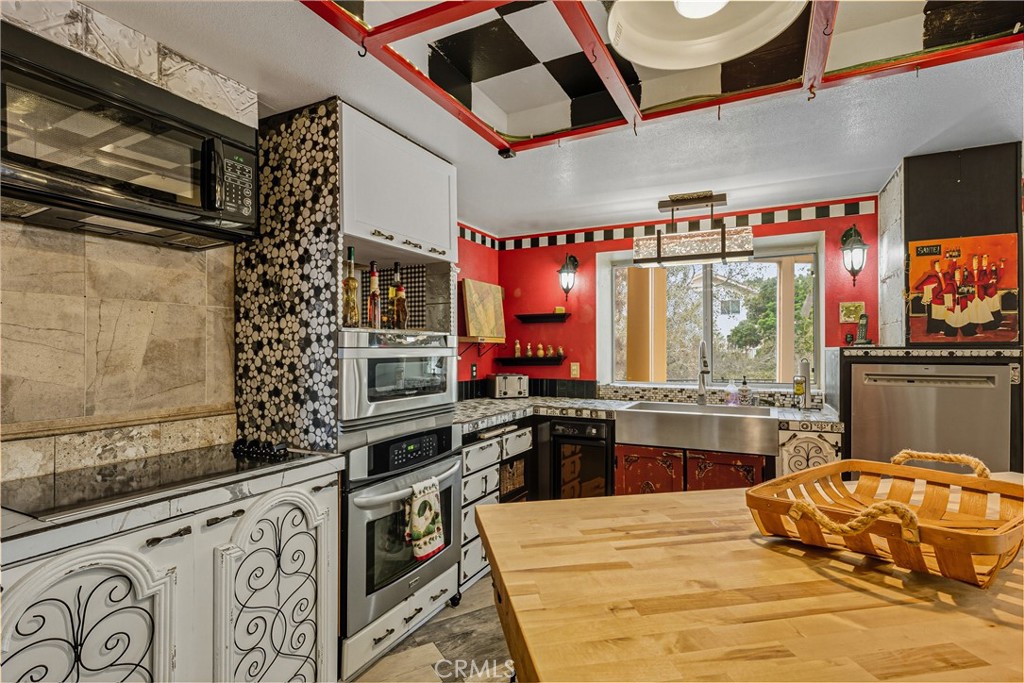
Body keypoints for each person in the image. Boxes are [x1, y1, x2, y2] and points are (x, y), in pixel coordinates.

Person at [912, 258, 950, 334]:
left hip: (944, 298)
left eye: (939, 265)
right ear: (934, 267)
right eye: (936, 265)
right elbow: (918, 287)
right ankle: (933, 330)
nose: (938, 267)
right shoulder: (931, 276)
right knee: (934, 316)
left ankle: (943, 329)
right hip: (935, 300)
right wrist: (930, 286)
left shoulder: (945, 275)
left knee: (944, 315)